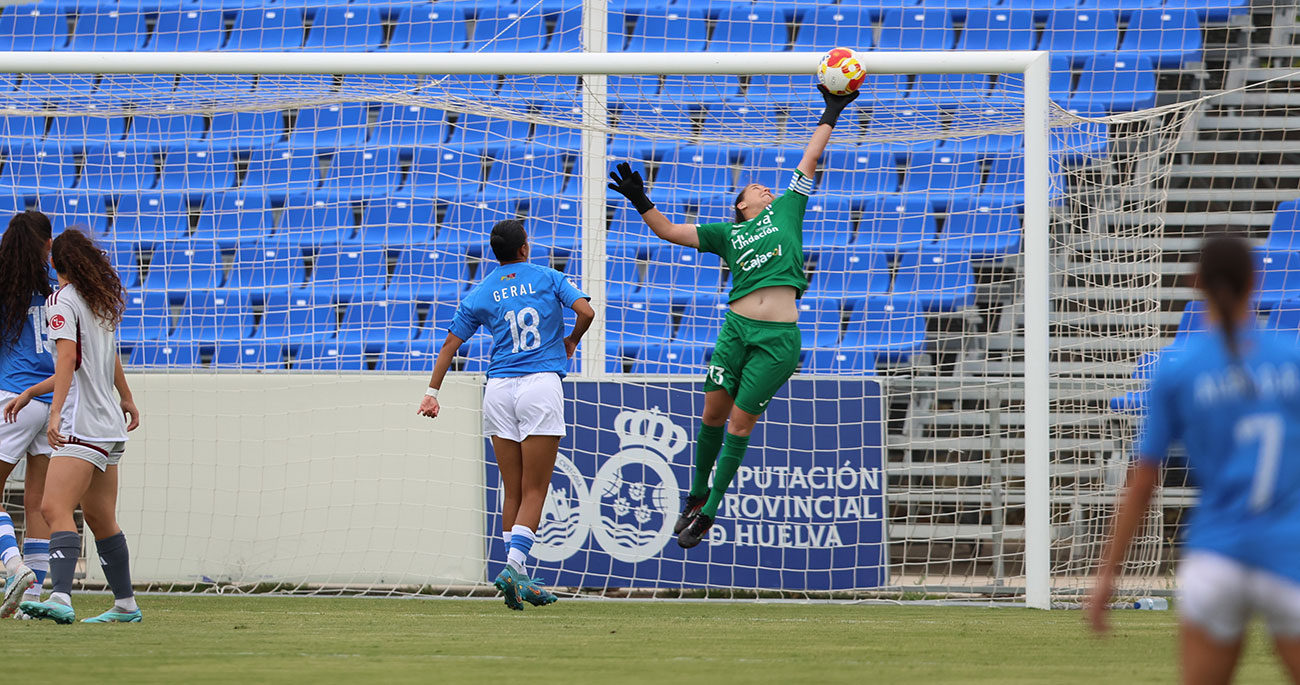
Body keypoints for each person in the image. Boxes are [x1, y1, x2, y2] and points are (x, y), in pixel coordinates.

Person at [606, 85, 860, 548]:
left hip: (777, 340)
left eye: (767, 186)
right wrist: (641, 200)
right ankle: (696, 493)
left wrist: (832, 109)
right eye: (755, 188)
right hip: (736, 330)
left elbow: (810, 157)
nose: (766, 188)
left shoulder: (788, 209)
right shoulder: (726, 233)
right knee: (712, 415)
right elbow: (668, 231)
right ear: (742, 205)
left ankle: (710, 511)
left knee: (740, 426)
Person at [1089, 235, 1300, 684]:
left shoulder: (1177, 369)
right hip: (1288, 551)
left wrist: (1108, 574)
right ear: (1256, 282)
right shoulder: (1293, 359)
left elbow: (1143, 480)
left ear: (1195, 282)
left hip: (1216, 553)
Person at [417, 219, 594, 611]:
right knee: (536, 489)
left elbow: (450, 344)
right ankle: (513, 568)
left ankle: (517, 576)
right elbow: (586, 312)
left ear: (496, 253)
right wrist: (571, 340)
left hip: (497, 389)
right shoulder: (548, 277)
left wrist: (432, 394)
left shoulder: (482, 290)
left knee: (511, 489)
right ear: (524, 248)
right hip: (539, 386)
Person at [4, 228, 141, 624]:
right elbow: (103, 360)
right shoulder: (99, 300)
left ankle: (60, 597)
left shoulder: (60, 301)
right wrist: (127, 397)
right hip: (110, 426)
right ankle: (126, 605)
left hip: (82, 424)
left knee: (53, 507)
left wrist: (55, 414)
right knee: (100, 518)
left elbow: (66, 361)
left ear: (54, 262)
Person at [0, 211, 57, 618]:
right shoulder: (55, 288)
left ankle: (13, 566)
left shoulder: (6, 286)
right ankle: (30, 602)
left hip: (13, 398)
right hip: (50, 400)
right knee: (37, 504)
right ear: (47, 245)